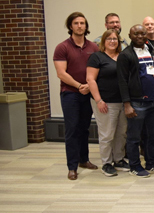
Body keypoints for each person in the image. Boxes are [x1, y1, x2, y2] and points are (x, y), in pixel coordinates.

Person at [116, 24, 154, 178]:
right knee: (134, 137)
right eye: (136, 34)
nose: (140, 36)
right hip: (136, 103)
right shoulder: (125, 55)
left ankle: (152, 163)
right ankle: (134, 166)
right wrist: (127, 104)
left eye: (142, 34)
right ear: (130, 36)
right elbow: (122, 81)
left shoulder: (151, 51)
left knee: (152, 136)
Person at [53, 12, 99, 180]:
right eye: (76, 23)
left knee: (85, 128)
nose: (80, 26)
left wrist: (89, 86)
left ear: (86, 26)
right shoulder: (62, 47)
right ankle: (72, 167)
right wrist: (79, 86)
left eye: (82, 23)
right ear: (70, 26)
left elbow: (98, 70)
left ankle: (84, 160)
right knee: (72, 130)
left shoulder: (93, 47)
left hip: (88, 94)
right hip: (70, 93)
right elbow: (61, 73)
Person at [86, 29, 129, 177]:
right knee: (107, 134)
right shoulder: (97, 57)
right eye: (109, 39)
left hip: (122, 102)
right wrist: (98, 100)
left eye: (115, 39)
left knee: (121, 133)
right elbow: (90, 80)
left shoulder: (122, 57)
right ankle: (106, 163)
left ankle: (118, 159)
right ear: (103, 41)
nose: (112, 41)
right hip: (105, 102)